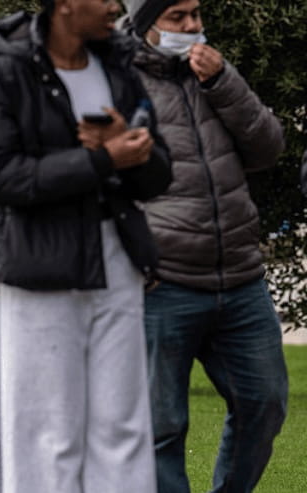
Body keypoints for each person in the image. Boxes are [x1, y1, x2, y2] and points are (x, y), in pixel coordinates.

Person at [0, 1, 174, 491]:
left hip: (116, 260)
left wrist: (131, 149)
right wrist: (100, 160)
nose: (115, 6)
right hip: (40, 265)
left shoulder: (118, 67)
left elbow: (158, 174)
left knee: (123, 426)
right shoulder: (8, 73)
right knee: (48, 430)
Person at [121, 1, 289, 491]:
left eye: (196, 13)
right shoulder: (117, 83)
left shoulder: (214, 74)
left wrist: (223, 82)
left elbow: (268, 147)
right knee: (162, 427)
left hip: (240, 279)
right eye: (177, 16)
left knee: (266, 403)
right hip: (163, 283)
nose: (192, 25)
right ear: (145, 25)